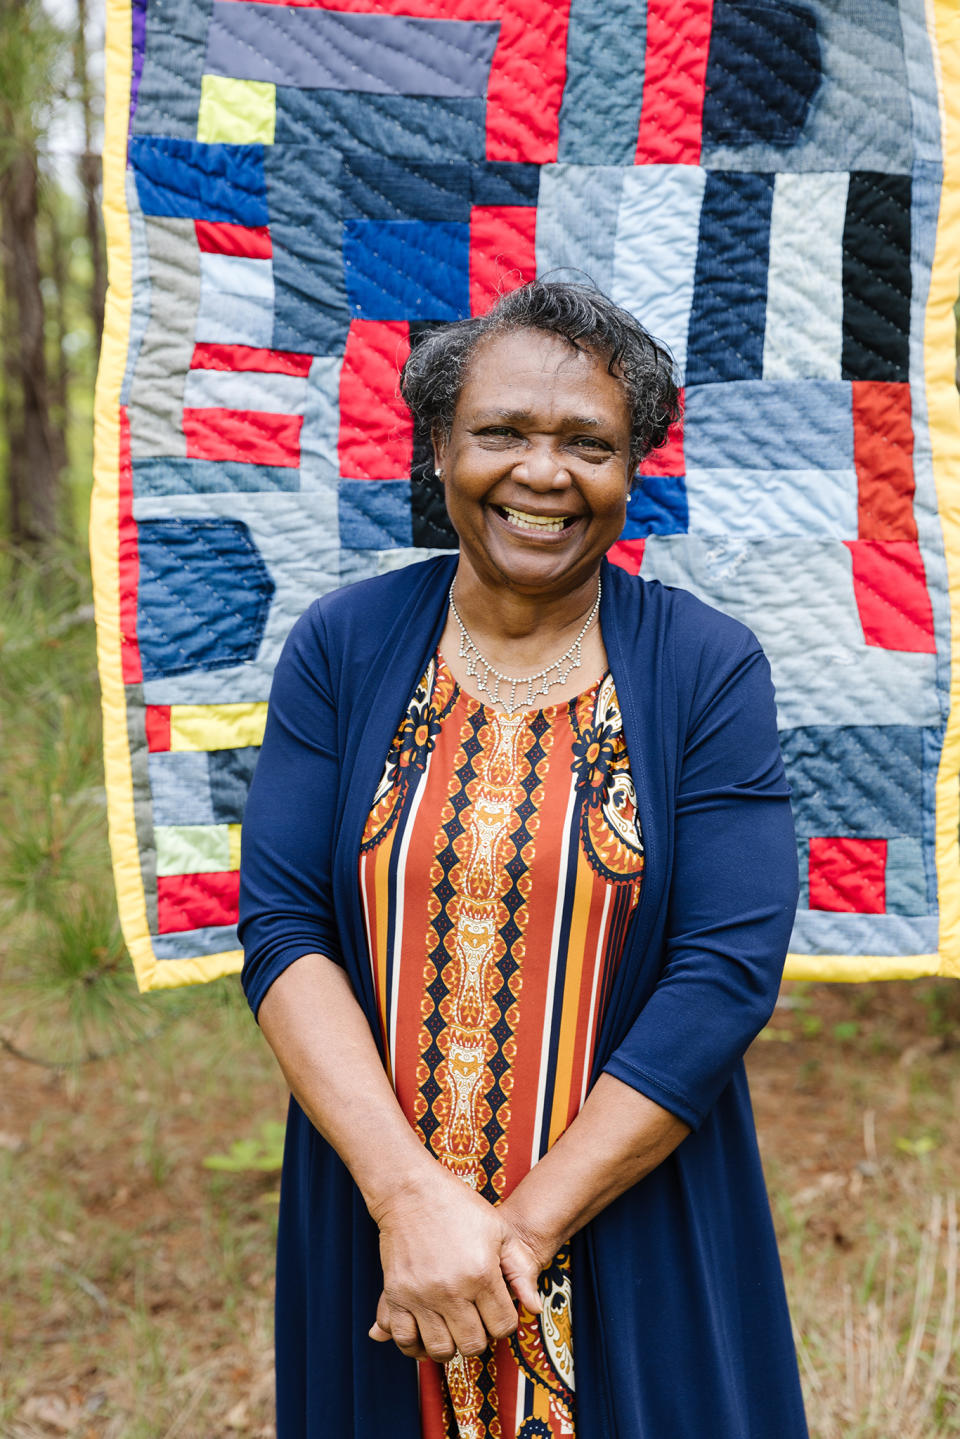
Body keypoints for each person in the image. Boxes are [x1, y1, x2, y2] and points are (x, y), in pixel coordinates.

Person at [238, 280, 809, 1438]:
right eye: (501, 432)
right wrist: (410, 1201)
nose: (543, 474)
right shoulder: (344, 646)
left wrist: (512, 1239)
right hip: (378, 1226)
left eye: (587, 443)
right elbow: (283, 927)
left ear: (631, 467)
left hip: (632, 1221)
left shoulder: (706, 667)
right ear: (438, 446)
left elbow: (725, 972)